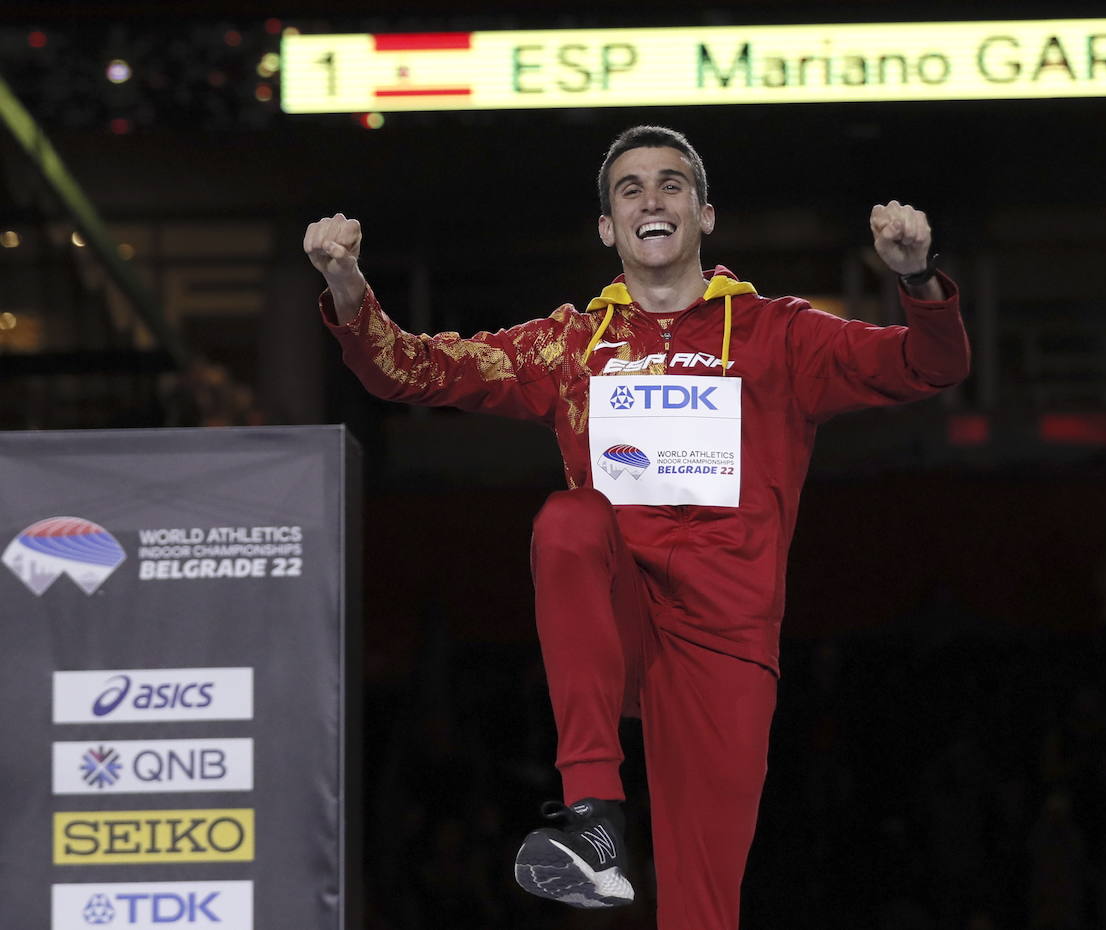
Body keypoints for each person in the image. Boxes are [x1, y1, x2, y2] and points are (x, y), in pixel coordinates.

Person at [305, 125, 970, 930]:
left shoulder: (781, 335)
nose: (650, 199)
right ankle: (594, 820)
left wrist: (917, 278)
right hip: (616, 614)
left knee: (703, 906)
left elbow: (929, 367)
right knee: (569, 521)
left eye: (670, 184)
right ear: (608, 228)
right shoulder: (570, 346)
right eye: (630, 189)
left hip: (726, 638)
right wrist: (347, 285)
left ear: (705, 214)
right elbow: (412, 368)